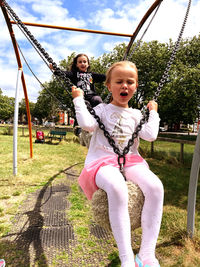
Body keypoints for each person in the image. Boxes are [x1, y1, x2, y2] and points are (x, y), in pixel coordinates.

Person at [72, 61, 164, 267]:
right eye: (119, 81)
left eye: (130, 82)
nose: (124, 86)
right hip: (102, 161)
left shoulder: (137, 114)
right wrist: (78, 100)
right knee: (116, 187)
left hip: (130, 160)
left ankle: (147, 254)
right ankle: (127, 259)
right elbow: (87, 125)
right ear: (108, 86)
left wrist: (154, 112)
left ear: (135, 87)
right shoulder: (101, 110)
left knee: (156, 188)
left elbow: (150, 135)